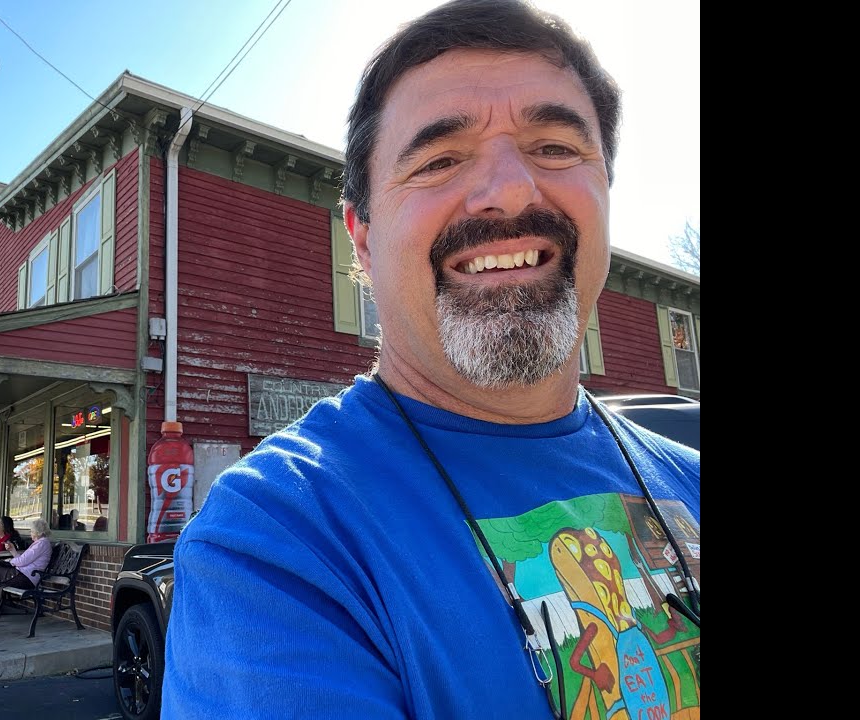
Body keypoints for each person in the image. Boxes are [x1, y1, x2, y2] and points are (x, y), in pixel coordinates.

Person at [161, 2, 700, 718]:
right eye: (440, 159)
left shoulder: (690, 477)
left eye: (555, 147)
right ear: (362, 236)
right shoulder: (277, 538)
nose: (510, 189)